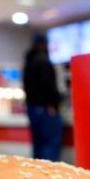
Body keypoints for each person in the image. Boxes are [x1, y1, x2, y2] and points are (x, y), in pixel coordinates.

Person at [22, 33, 62, 161]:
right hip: (45, 109)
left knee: (38, 145)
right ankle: (48, 178)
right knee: (50, 145)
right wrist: (56, 102)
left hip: (32, 108)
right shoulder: (43, 61)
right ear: (44, 44)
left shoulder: (28, 61)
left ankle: (37, 178)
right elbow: (48, 86)